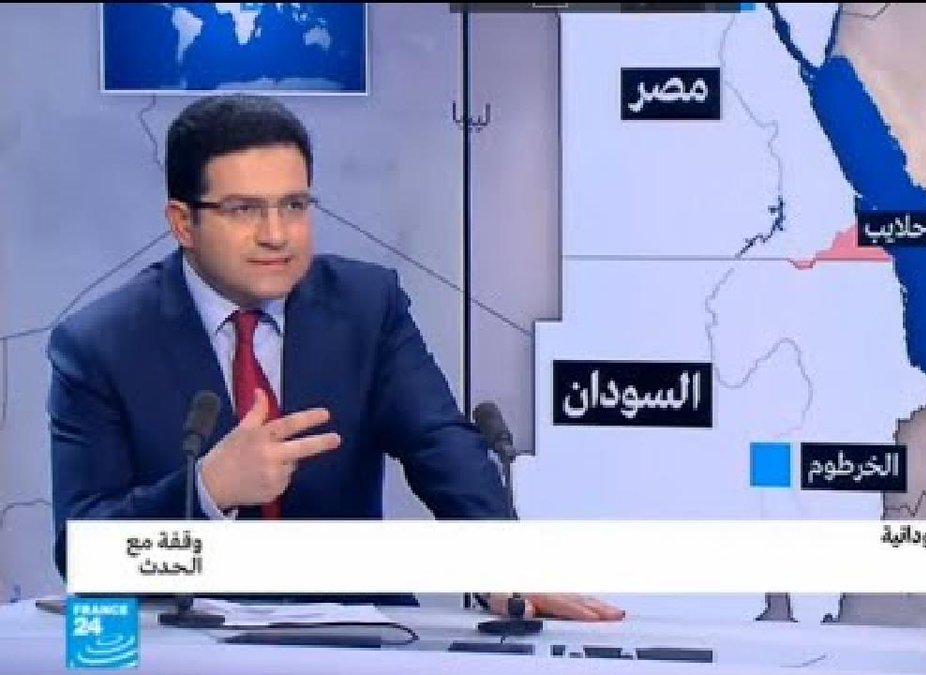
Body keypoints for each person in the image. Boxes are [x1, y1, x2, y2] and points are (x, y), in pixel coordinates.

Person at [47, 93, 623, 622]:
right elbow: (84, 554)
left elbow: (439, 443)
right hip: (185, 642)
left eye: (294, 205)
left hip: (356, 631)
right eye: (244, 210)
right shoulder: (100, 344)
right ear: (183, 223)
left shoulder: (367, 307)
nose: (277, 234)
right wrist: (207, 490)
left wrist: (502, 562)